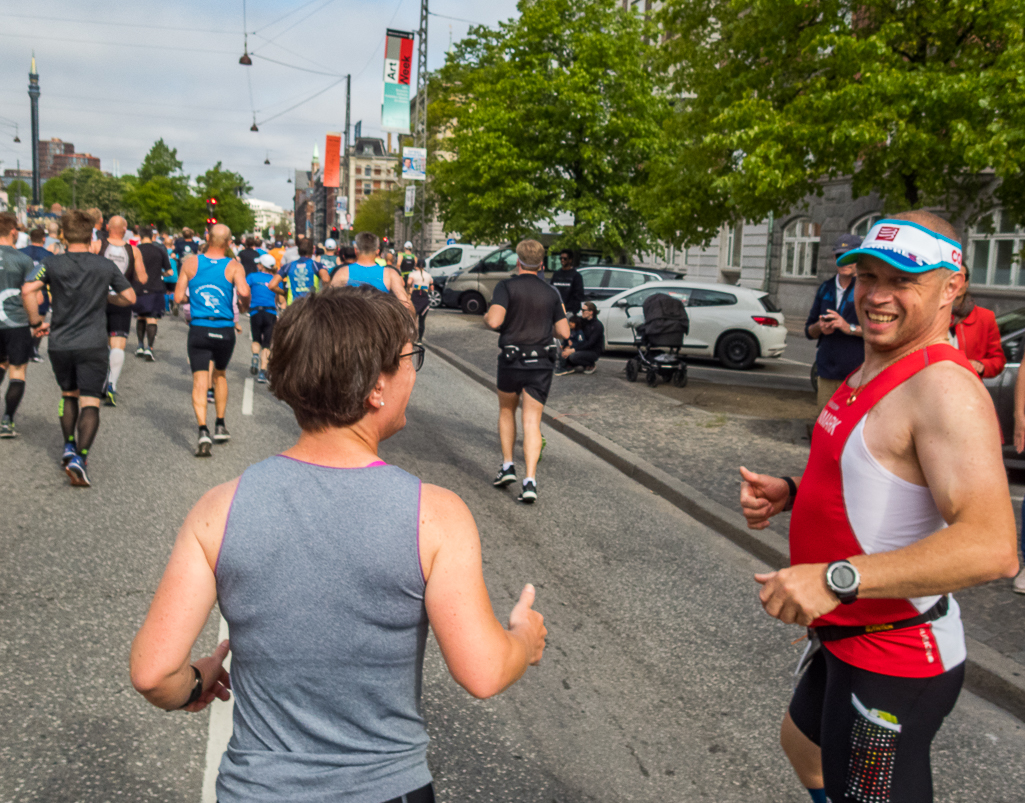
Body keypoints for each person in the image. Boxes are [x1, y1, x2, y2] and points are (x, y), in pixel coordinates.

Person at [130, 287, 546, 803]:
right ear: (376, 388)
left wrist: (196, 681)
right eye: (408, 360)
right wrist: (525, 640)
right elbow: (482, 671)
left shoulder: (219, 509)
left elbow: (153, 674)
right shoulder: (436, 516)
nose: (413, 372)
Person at [739, 211, 1018, 803]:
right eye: (867, 276)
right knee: (803, 747)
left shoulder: (944, 389)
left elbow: (993, 548)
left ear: (952, 285)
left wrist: (838, 578)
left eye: (903, 280)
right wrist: (792, 491)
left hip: (895, 655)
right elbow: (882, 473)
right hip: (846, 636)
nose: (878, 296)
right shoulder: (876, 362)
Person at [21, 209, 137, 486]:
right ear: (92, 234)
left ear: (63, 233)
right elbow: (129, 296)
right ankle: (80, 458)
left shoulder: (52, 263)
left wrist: (36, 321)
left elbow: (27, 290)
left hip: (60, 342)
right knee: (90, 400)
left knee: (68, 394)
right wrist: (107, 300)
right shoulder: (104, 266)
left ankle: (68, 445)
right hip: (93, 342)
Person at [483, 239, 570, 503]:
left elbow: (495, 320)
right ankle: (530, 481)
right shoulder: (551, 292)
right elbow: (564, 332)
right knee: (532, 421)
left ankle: (508, 465)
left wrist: (488, 317)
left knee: (507, 410)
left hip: (512, 360)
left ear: (517, 261)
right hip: (541, 362)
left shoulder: (506, 287)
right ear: (542, 264)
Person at [174, 223, 250, 457]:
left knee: (199, 380)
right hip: (224, 330)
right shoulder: (234, 266)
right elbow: (245, 293)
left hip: (199, 328)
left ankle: (203, 429)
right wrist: (242, 306)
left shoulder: (191, 263)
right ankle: (220, 424)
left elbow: (178, 297)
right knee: (220, 375)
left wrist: (194, 298)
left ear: (207, 238)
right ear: (229, 243)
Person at [806, 233, 865, 411]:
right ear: (834, 257)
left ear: (860, 258)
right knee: (826, 425)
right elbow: (808, 331)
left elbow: (880, 331)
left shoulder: (867, 290)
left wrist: (849, 328)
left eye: (850, 257)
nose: (844, 261)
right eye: (840, 256)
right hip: (826, 372)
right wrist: (819, 327)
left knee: (849, 430)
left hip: (857, 373)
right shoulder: (826, 288)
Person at [95, 216, 147, 406]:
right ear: (125, 229)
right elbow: (142, 278)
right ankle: (111, 384)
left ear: (108, 227)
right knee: (117, 343)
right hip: (121, 300)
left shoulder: (96, 246)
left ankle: (97, 381)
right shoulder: (133, 250)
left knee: (99, 342)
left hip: (97, 300)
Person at [0, 214, 38, 438]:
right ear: (14, 231)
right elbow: (33, 296)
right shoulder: (23, 260)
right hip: (16, 323)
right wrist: (36, 322)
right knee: (17, 370)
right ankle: (7, 421)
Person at [330, 231, 413, 311]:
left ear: (356, 250)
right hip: (380, 322)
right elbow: (406, 305)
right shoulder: (389, 274)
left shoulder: (343, 272)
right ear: (377, 251)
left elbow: (329, 302)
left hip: (351, 322)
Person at [949, 266, 1004, 378]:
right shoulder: (930, 315)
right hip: (932, 387)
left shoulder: (985, 317)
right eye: (952, 278)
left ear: (967, 282)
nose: (957, 283)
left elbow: (998, 360)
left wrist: (982, 366)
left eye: (962, 278)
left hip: (968, 388)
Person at [133, 227, 172, 361]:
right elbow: (170, 272)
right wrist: (159, 273)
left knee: (140, 317)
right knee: (152, 319)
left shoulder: (135, 250)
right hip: (155, 287)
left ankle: (139, 345)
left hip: (138, 288)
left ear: (140, 236)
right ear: (152, 236)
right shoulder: (160, 250)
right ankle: (149, 348)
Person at [20, 227, 52, 363]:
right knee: (39, 322)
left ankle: (21, 349)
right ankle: (33, 350)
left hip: (21, 290)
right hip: (42, 291)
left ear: (30, 238)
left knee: (23, 322)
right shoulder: (49, 255)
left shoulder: (20, 253)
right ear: (44, 239)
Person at [268, 237, 330, 305]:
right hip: (311, 306)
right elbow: (326, 280)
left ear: (298, 251)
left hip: (293, 308)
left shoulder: (288, 266)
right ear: (313, 251)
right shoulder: (317, 266)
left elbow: (272, 285)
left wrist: (284, 293)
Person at [247, 254, 278, 384]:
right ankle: (262, 371)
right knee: (267, 343)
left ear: (261, 266)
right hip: (270, 312)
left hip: (255, 311)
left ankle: (255, 355)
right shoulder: (275, 279)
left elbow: (244, 291)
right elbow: (280, 298)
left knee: (256, 339)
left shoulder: (252, 276)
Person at [556, 301, 603, 375]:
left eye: (584, 310)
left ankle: (590, 364)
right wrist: (567, 345)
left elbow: (590, 343)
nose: (582, 312)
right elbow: (572, 332)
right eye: (582, 310)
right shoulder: (582, 321)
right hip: (581, 347)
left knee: (572, 356)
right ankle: (573, 365)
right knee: (563, 353)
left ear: (591, 312)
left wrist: (573, 350)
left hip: (592, 351)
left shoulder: (597, 325)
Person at [550, 249, 586, 314]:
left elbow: (578, 295)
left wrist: (573, 310)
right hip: (556, 310)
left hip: (569, 311)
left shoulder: (576, 276)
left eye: (565, 258)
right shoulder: (556, 274)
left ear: (570, 260)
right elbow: (551, 291)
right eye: (561, 258)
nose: (562, 260)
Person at [407, 256, 434, 342]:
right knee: (422, 321)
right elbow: (432, 288)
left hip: (415, 297)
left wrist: (408, 289)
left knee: (412, 319)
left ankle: (411, 337)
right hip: (424, 298)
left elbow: (408, 282)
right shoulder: (429, 276)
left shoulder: (413, 274)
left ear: (417, 265)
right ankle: (420, 339)